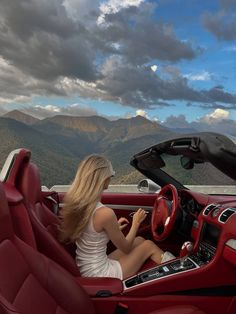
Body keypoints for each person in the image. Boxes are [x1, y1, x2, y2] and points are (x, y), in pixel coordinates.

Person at [60, 154, 174, 280]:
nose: (111, 178)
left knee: (139, 240)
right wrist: (136, 222)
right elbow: (126, 248)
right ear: (103, 179)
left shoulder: (81, 204)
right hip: (99, 273)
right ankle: (178, 273)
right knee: (148, 246)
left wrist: (114, 228)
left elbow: (91, 234)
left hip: (86, 266)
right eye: (111, 175)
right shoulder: (104, 213)